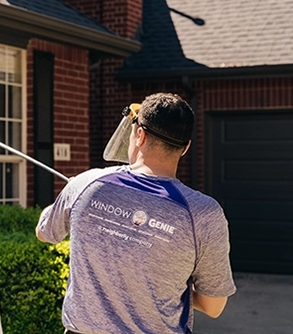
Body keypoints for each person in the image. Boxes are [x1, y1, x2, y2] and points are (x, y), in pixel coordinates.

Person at [36, 93, 236, 334]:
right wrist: (164, 286)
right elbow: (212, 305)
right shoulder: (204, 212)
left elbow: (44, 233)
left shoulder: (85, 184)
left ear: (139, 135)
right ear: (185, 148)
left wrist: (69, 193)